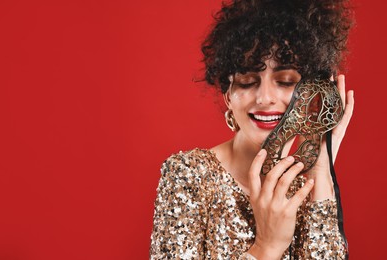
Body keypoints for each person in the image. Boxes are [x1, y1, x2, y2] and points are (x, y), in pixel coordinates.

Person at [150, 0, 354, 259]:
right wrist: (266, 247)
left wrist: (321, 172)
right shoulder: (189, 175)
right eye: (247, 82)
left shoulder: (307, 189)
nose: (265, 98)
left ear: (312, 94)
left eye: (285, 81)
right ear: (228, 96)